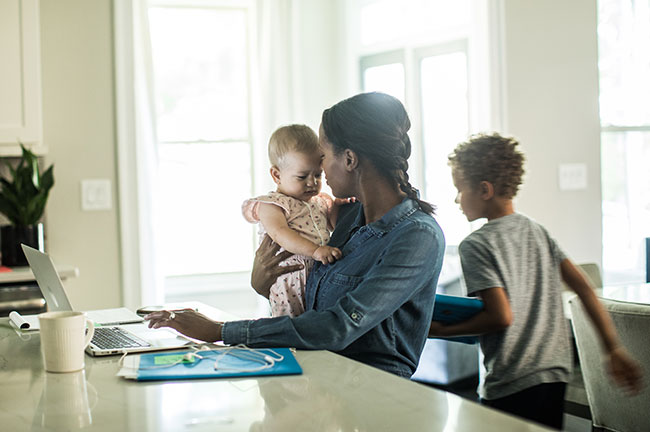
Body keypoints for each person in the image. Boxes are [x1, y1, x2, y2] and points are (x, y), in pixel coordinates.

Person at [146, 92, 445, 378]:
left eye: (323, 156)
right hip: (316, 375)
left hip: (372, 393)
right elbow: (314, 304)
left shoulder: (417, 236)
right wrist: (262, 283)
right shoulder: (347, 218)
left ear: (350, 159)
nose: (320, 169)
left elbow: (338, 325)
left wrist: (220, 331)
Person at [428, 133, 643, 430]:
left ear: (484, 190)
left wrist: (441, 330)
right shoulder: (536, 230)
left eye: (459, 189)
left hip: (511, 380)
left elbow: (500, 317)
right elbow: (583, 288)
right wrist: (612, 347)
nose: (456, 199)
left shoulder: (476, 245)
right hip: (554, 374)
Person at [242, 124, 343, 317]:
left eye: (317, 174)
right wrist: (314, 250)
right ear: (277, 175)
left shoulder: (320, 201)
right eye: (302, 176)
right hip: (289, 277)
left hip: (319, 272)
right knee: (288, 326)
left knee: (317, 324)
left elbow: (335, 226)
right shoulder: (272, 204)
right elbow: (280, 233)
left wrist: (339, 205)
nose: (312, 182)